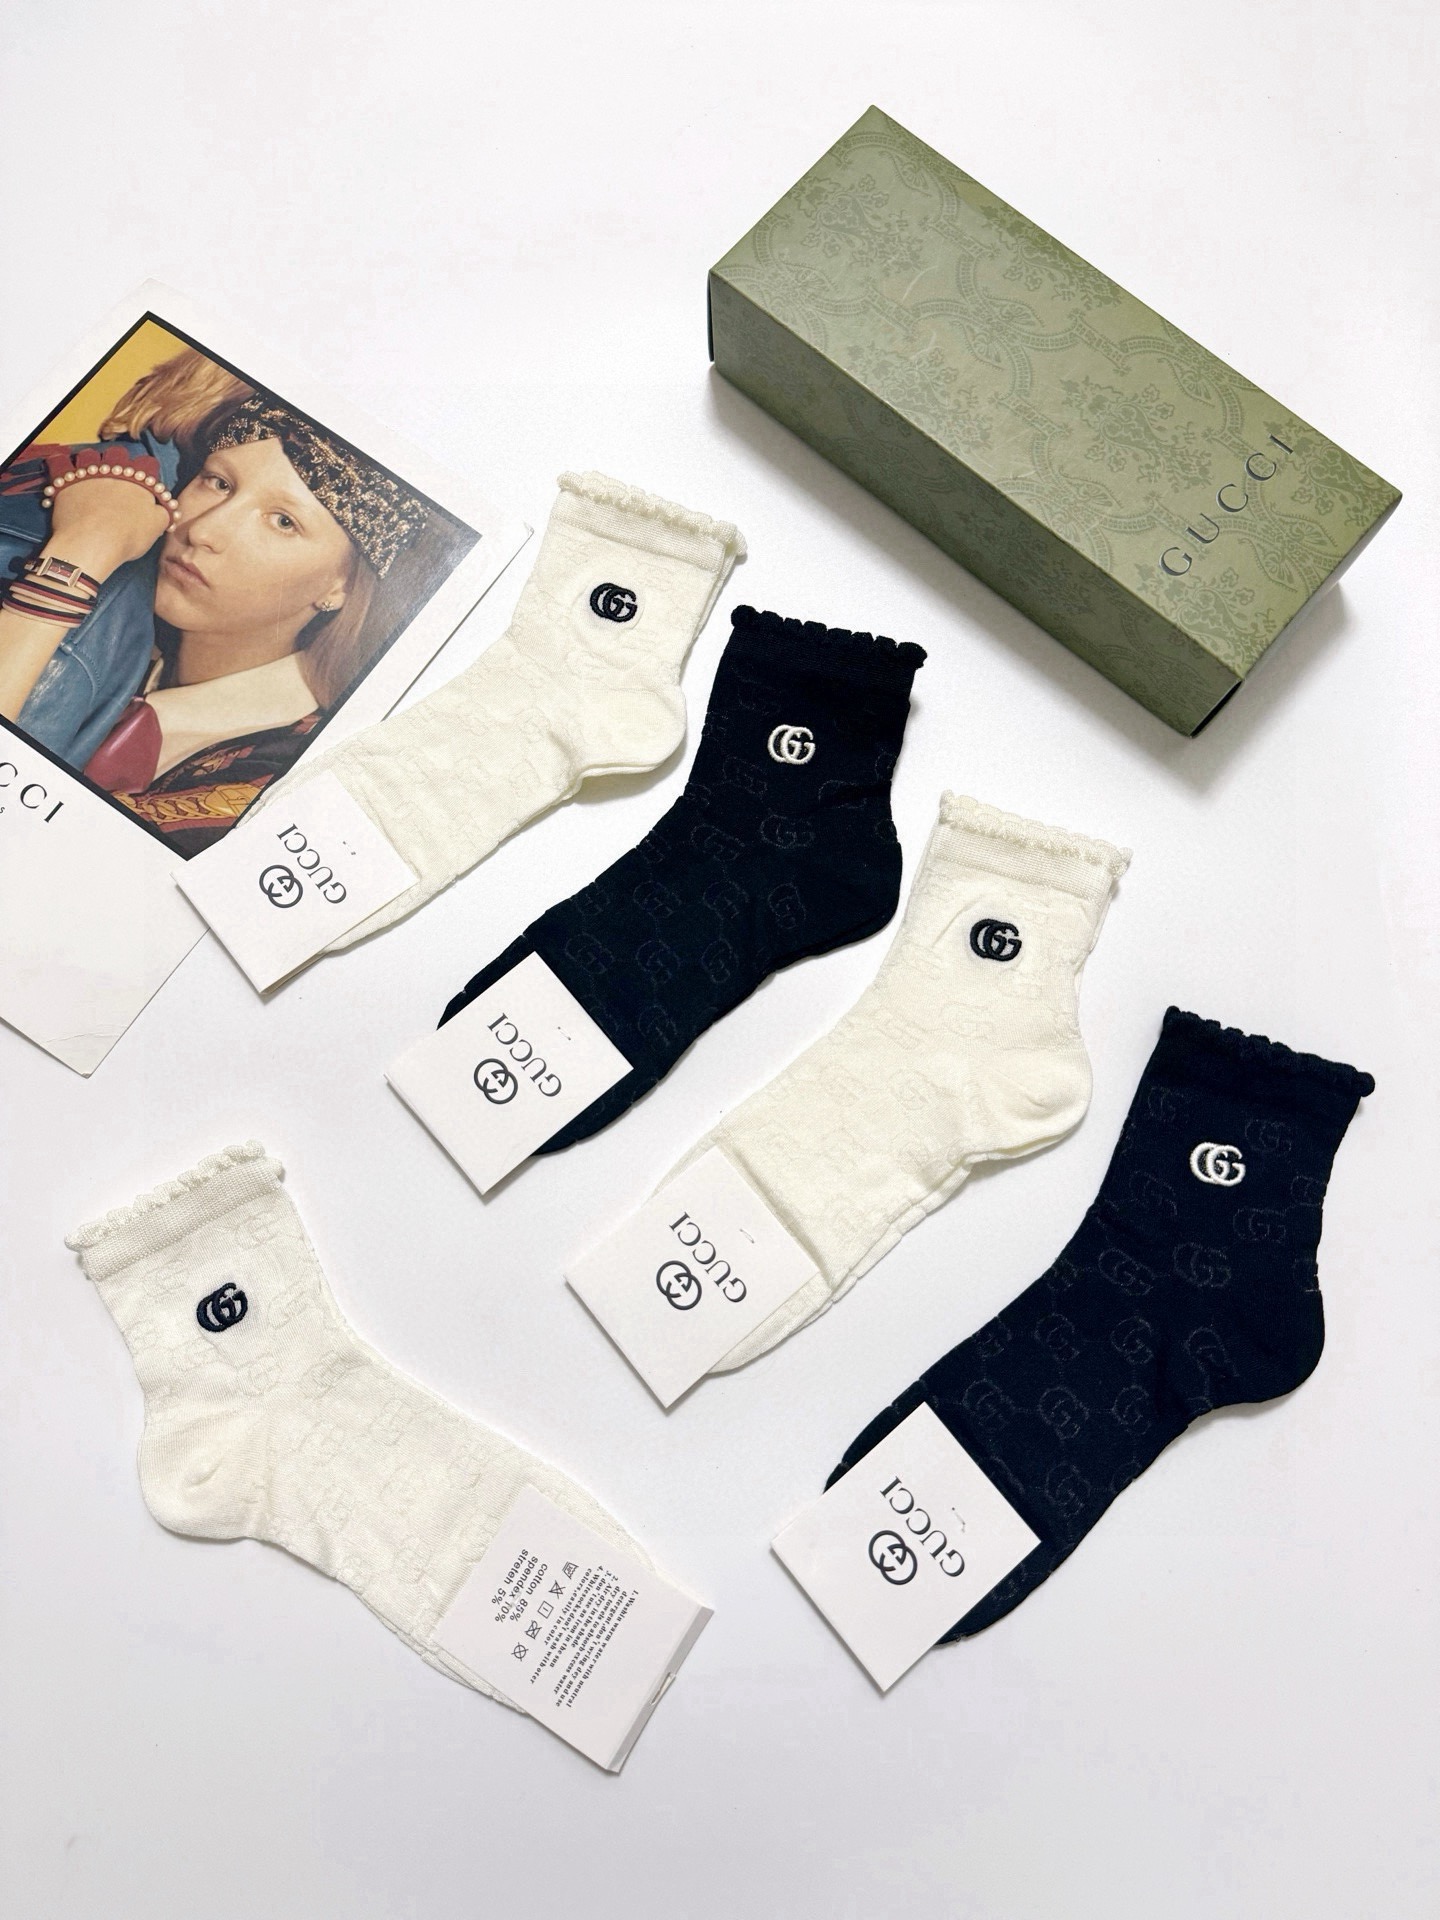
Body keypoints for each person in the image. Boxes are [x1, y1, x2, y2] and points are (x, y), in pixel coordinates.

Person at [0, 353, 441, 855]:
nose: (204, 531)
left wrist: (77, 557)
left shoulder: (281, 780)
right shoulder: (118, 627)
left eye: (283, 522)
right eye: (219, 482)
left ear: (339, 588)